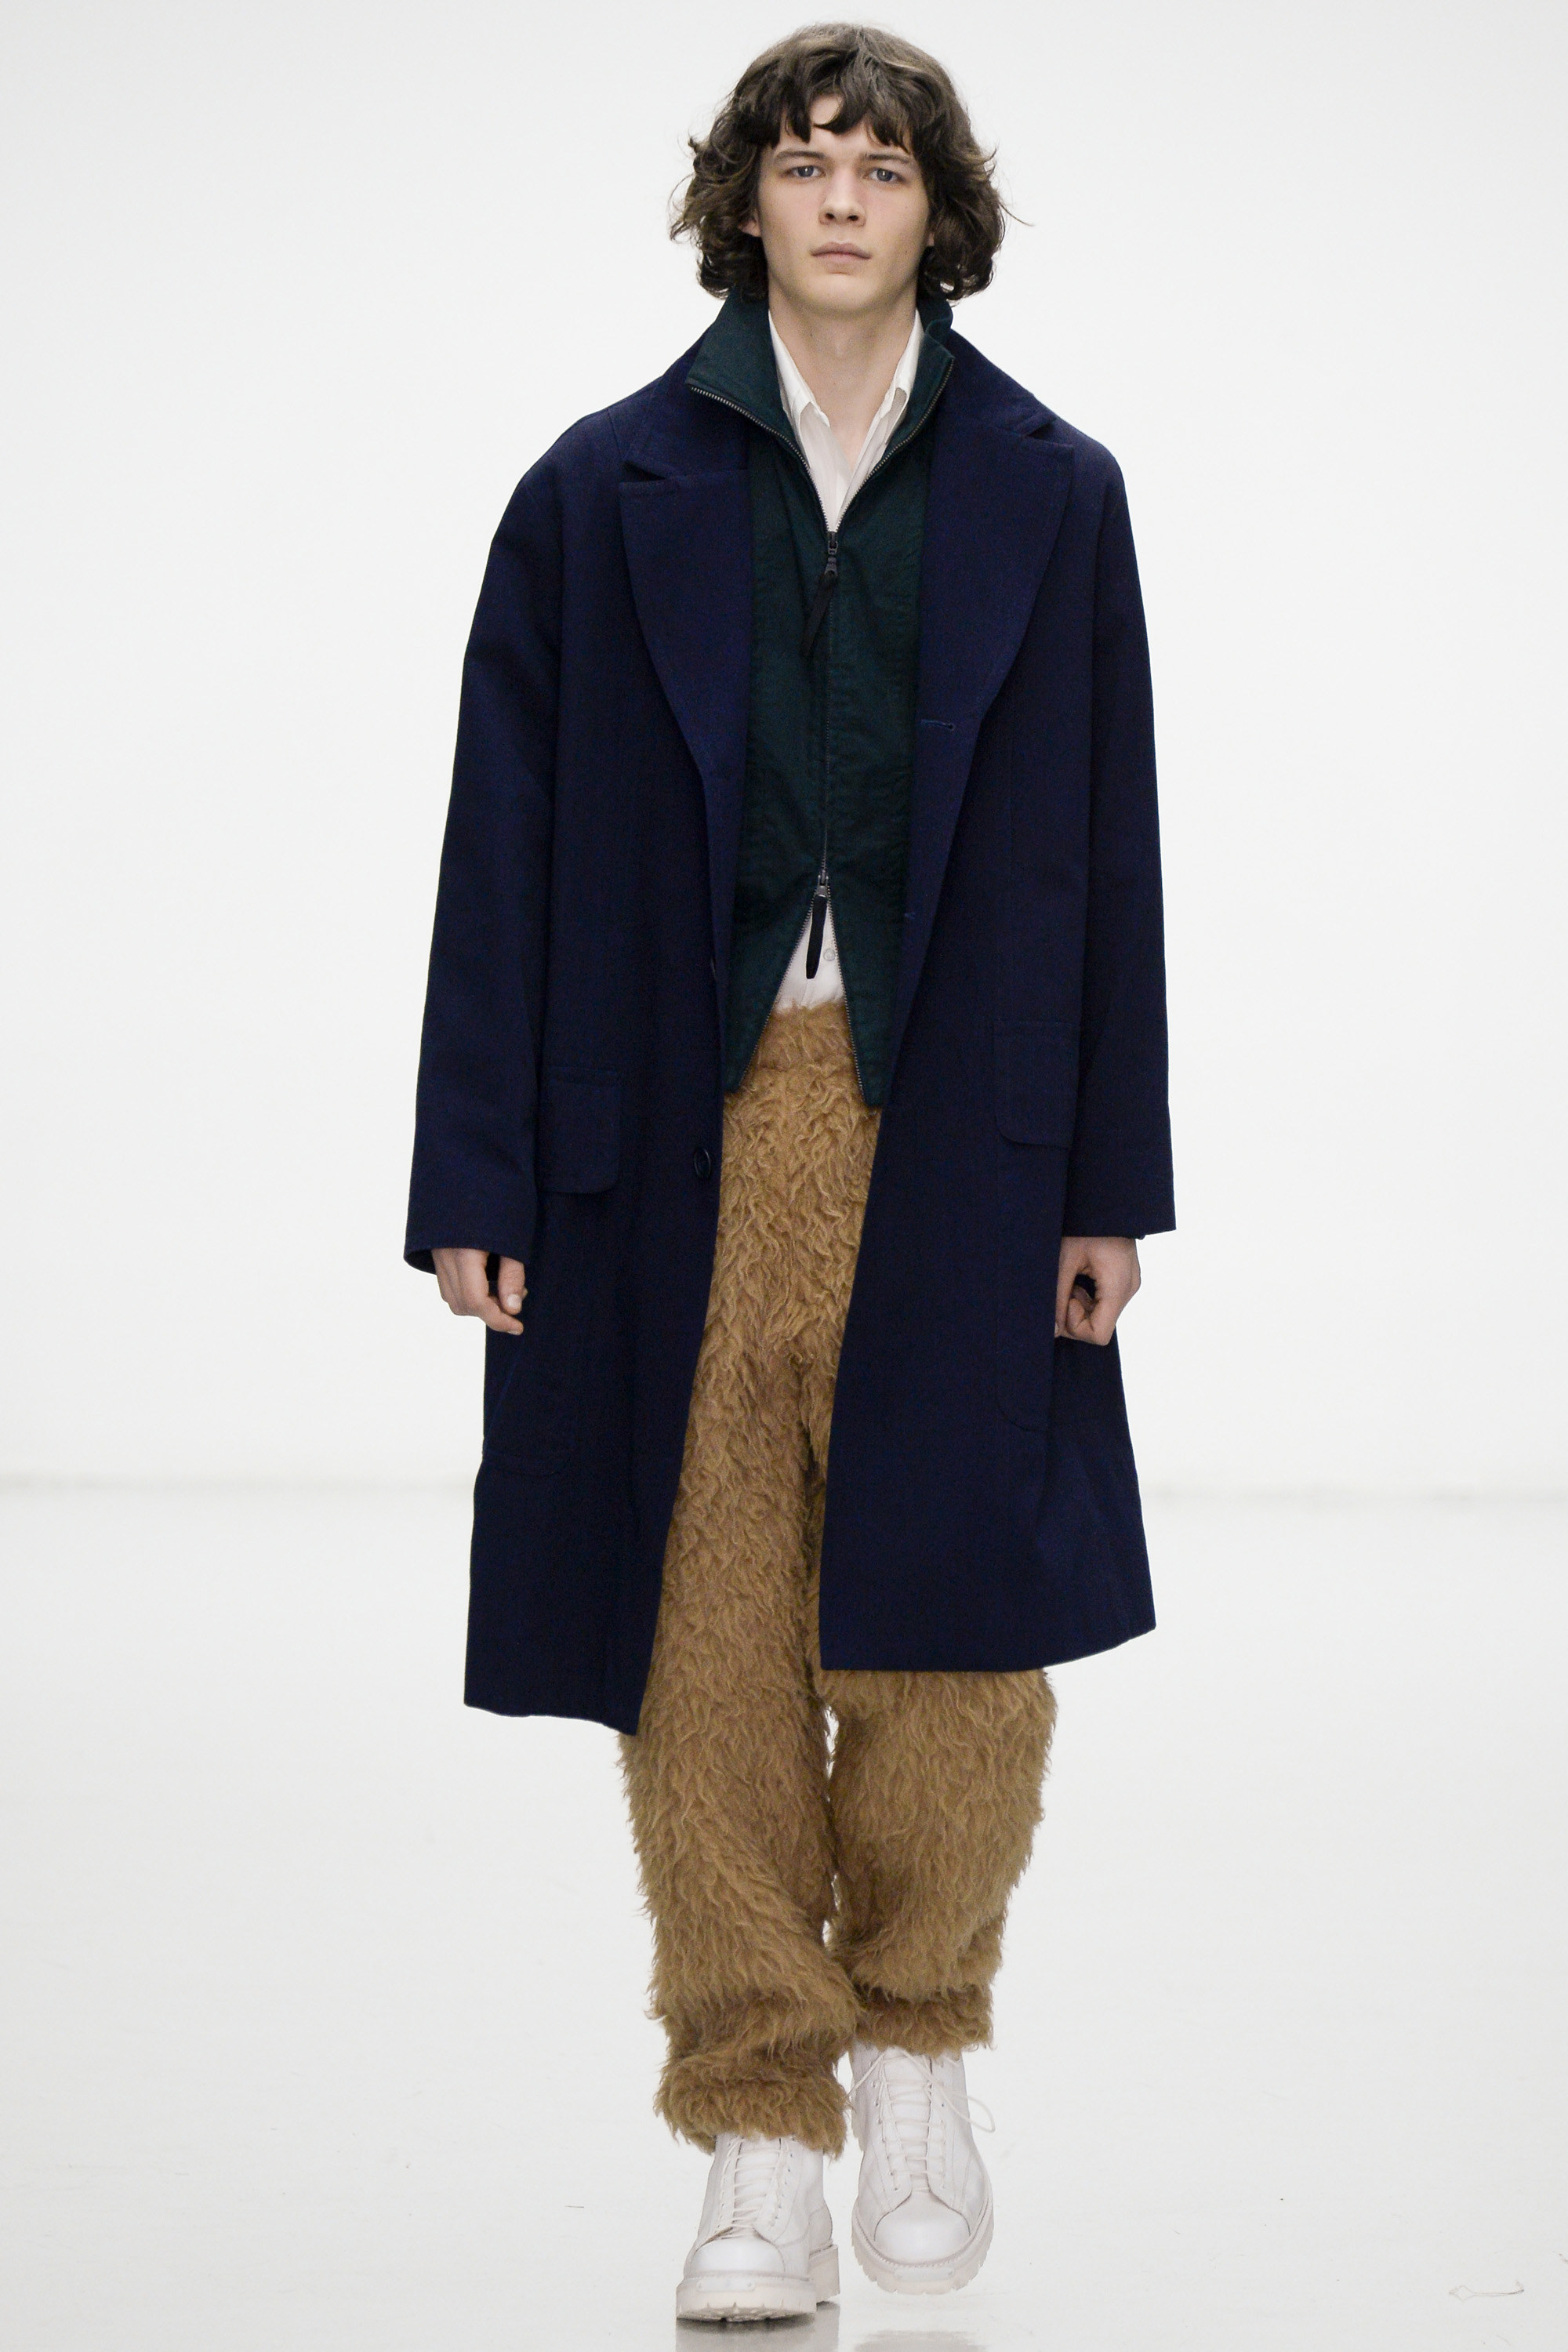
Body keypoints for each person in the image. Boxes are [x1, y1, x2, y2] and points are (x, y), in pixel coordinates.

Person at [405, 21, 1173, 2323]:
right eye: (806, 160)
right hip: (669, 1130)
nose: (843, 197)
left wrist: (1110, 1181)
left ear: (943, 211)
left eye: (885, 165)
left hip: (963, 1136)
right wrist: (478, 1175)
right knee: (705, 1635)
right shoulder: (599, 488)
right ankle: (756, 2118)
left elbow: (1112, 850)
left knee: (961, 1632)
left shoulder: (1053, 489)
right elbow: (500, 848)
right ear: (743, 199)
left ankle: (918, 2042)